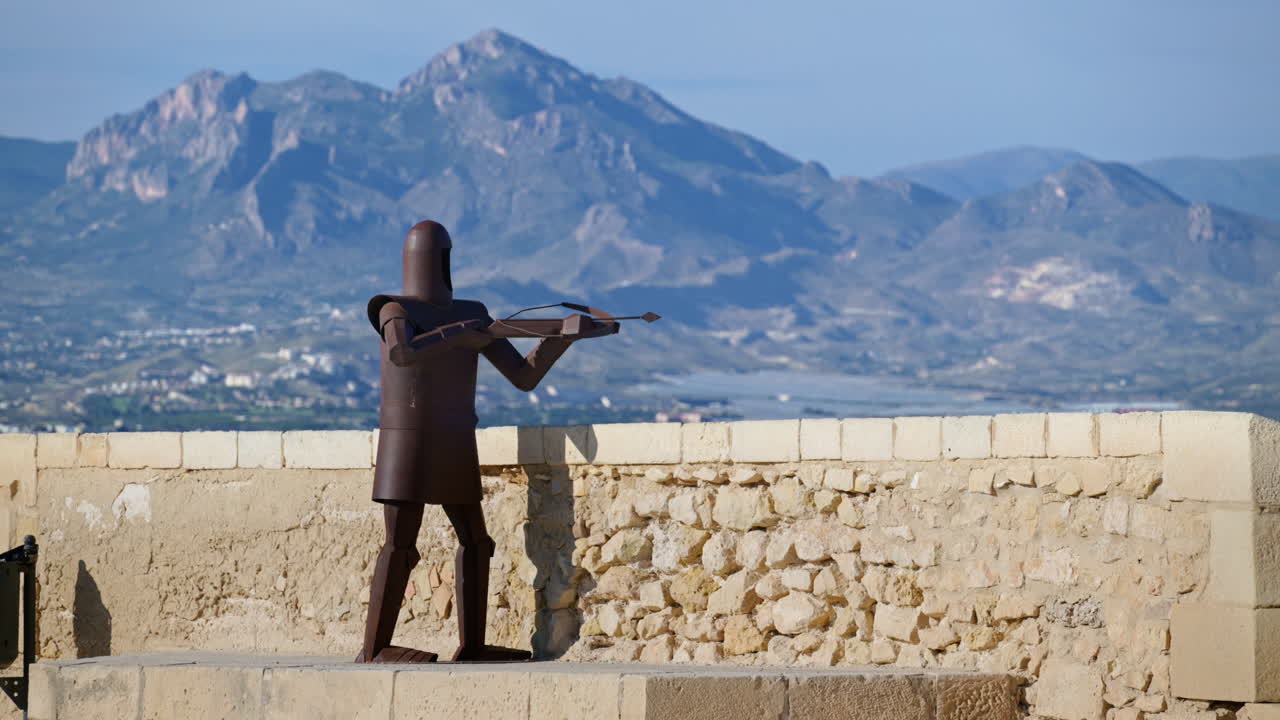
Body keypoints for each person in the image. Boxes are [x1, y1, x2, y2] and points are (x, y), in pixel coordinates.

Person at [356, 220, 601, 663]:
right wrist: (457, 335)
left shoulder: (471, 310)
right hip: (408, 439)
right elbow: (401, 352)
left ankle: (471, 645)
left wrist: (561, 338)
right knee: (400, 543)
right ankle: (373, 648)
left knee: (476, 541)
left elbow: (523, 376)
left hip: (454, 436)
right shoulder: (396, 309)